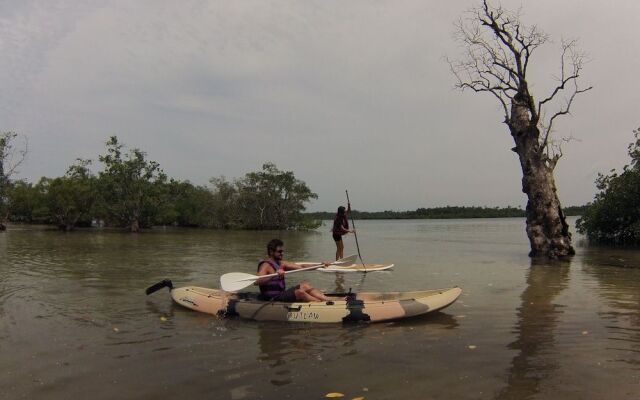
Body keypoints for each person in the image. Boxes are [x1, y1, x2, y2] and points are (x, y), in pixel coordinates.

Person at [255, 239, 331, 302]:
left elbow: (301, 266)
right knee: (300, 292)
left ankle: (329, 300)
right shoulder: (265, 265)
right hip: (272, 298)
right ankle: (320, 305)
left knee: (305, 285)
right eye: (279, 251)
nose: (282, 253)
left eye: (282, 251)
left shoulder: (282, 264)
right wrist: (274, 275)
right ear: (271, 252)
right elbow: (256, 281)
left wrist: (321, 265)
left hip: (281, 294)